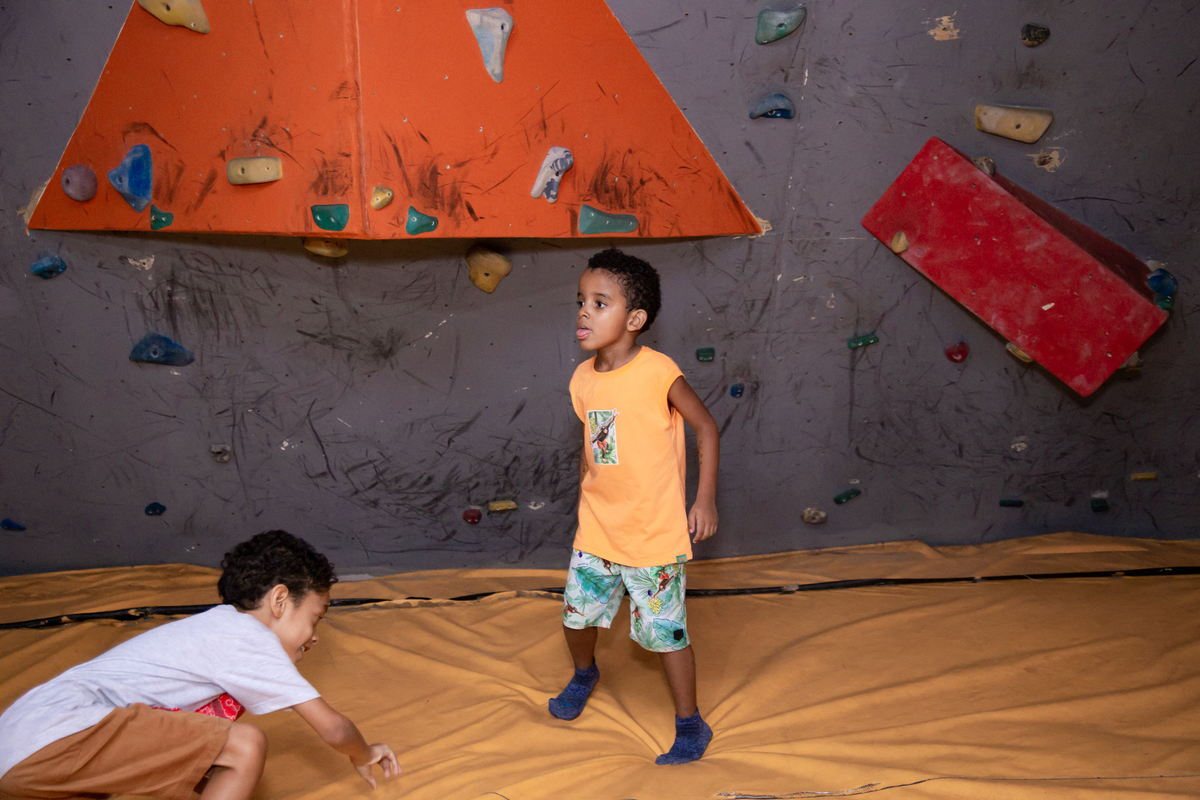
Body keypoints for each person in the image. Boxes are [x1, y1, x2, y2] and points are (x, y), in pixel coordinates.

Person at [0, 530, 399, 800]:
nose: (314, 637)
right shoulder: (248, 636)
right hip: (59, 730)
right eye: (315, 618)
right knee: (244, 746)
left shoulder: (213, 634)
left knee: (209, 760)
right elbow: (333, 728)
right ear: (279, 601)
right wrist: (362, 752)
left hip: (21, 753)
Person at [550, 247, 720, 765]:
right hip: (599, 530)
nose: (584, 311)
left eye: (600, 303)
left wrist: (704, 499)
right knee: (576, 617)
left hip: (652, 536)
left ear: (635, 319)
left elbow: (706, 427)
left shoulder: (657, 371)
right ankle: (585, 674)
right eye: (581, 300)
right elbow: (595, 447)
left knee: (666, 637)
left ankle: (690, 723)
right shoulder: (582, 379)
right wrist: (589, 496)